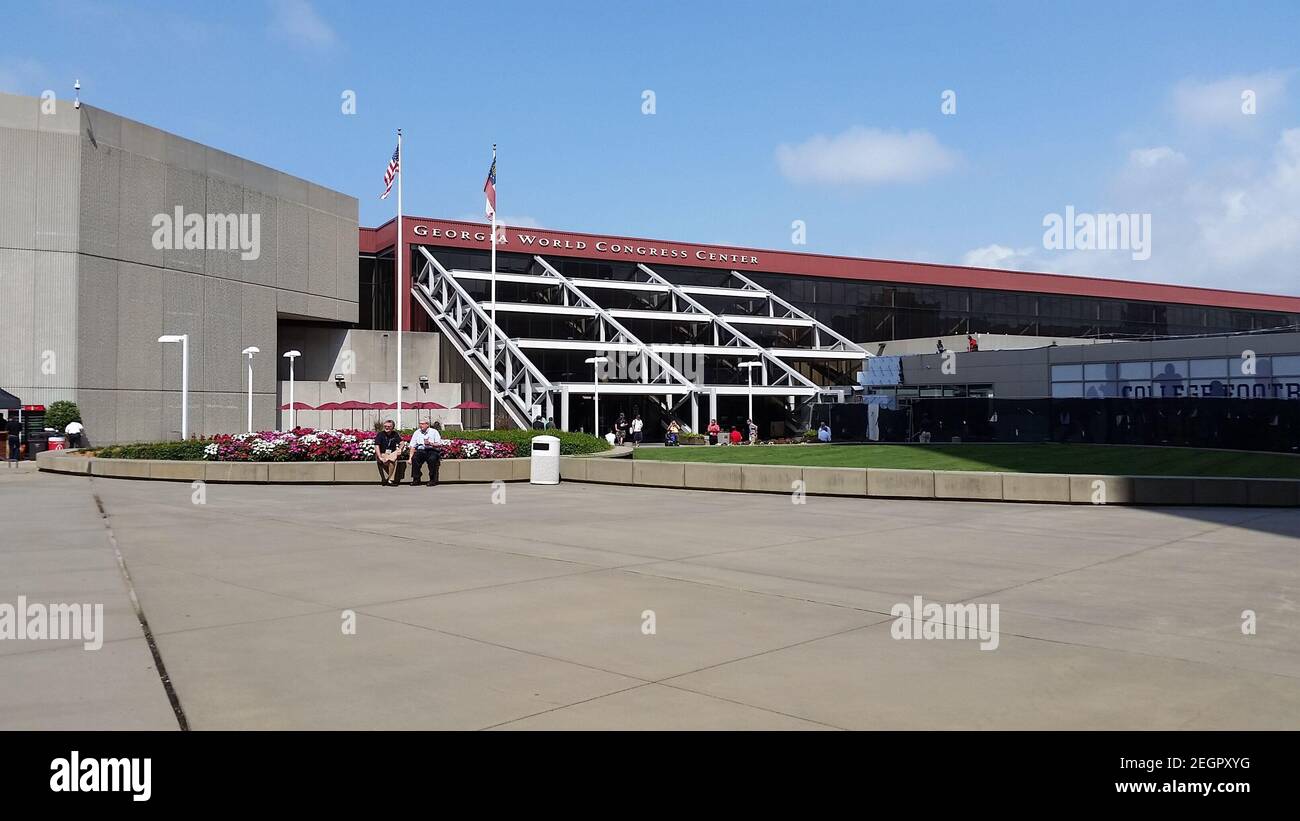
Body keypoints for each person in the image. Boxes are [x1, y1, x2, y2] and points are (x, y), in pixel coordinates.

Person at [407, 418, 443, 486]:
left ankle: (432, 479)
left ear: (427, 425)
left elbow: (439, 444)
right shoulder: (417, 432)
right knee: (415, 458)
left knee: (432, 459)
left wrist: (430, 443)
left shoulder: (434, 432)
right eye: (420, 424)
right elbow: (412, 446)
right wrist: (410, 458)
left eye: (422, 424)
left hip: (432, 450)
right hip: (421, 450)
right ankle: (416, 479)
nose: (421, 425)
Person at [374, 419, 403, 486]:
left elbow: (402, 443)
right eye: (385, 426)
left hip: (392, 454)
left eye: (389, 426)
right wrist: (380, 457)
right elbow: (376, 446)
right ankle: (390, 480)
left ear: (393, 427)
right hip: (382, 453)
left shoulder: (395, 434)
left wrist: (400, 449)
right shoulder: (380, 434)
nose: (387, 428)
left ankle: (389, 480)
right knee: (392, 461)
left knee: (393, 458)